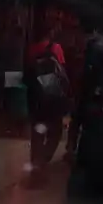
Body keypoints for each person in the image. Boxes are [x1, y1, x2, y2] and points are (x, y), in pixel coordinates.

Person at [24, 25, 70, 177]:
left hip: (36, 98)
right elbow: (62, 73)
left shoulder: (31, 49)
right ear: (50, 33)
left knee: (37, 131)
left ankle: (35, 161)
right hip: (53, 97)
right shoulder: (56, 48)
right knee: (55, 131)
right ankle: (44, 159)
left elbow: (25, 74)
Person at [66, 26, 103, 156]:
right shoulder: (101, 48)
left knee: (79, 120)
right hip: (93, 91)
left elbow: (89, 70)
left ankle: (74, 150)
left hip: (88, 91)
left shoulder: (94, 48)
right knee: (84, 121)